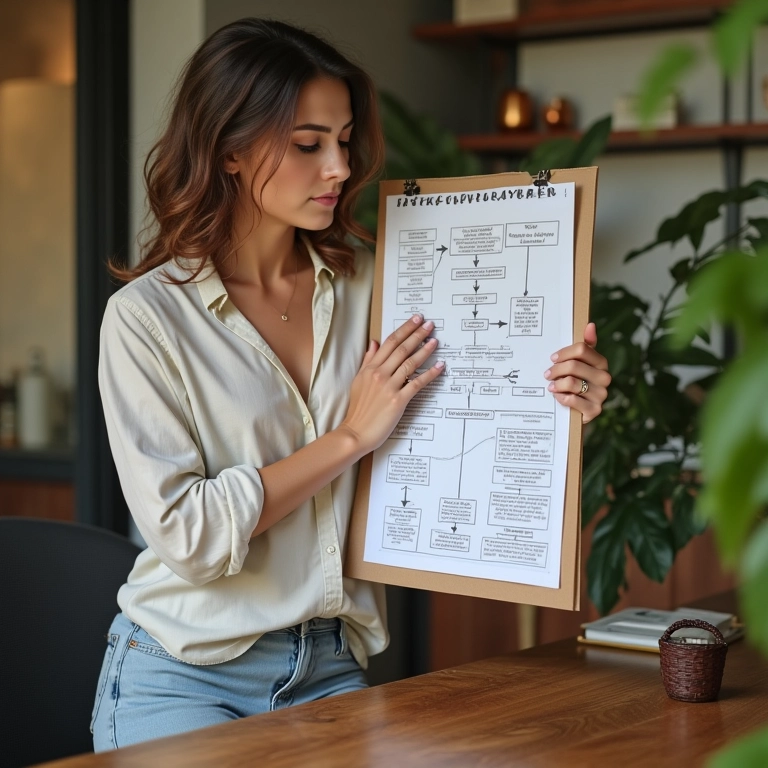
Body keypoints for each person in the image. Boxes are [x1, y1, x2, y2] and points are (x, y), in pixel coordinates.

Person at [91, 18, 611, 751]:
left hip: (331, 665)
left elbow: (473, 407)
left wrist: (562, 391)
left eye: (343, 139)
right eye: (308, 145)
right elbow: (192, 536)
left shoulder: (381, 281)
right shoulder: (145, 320)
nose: (339, 166)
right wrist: (350, 438)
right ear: (231, 150)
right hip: (182, 672)